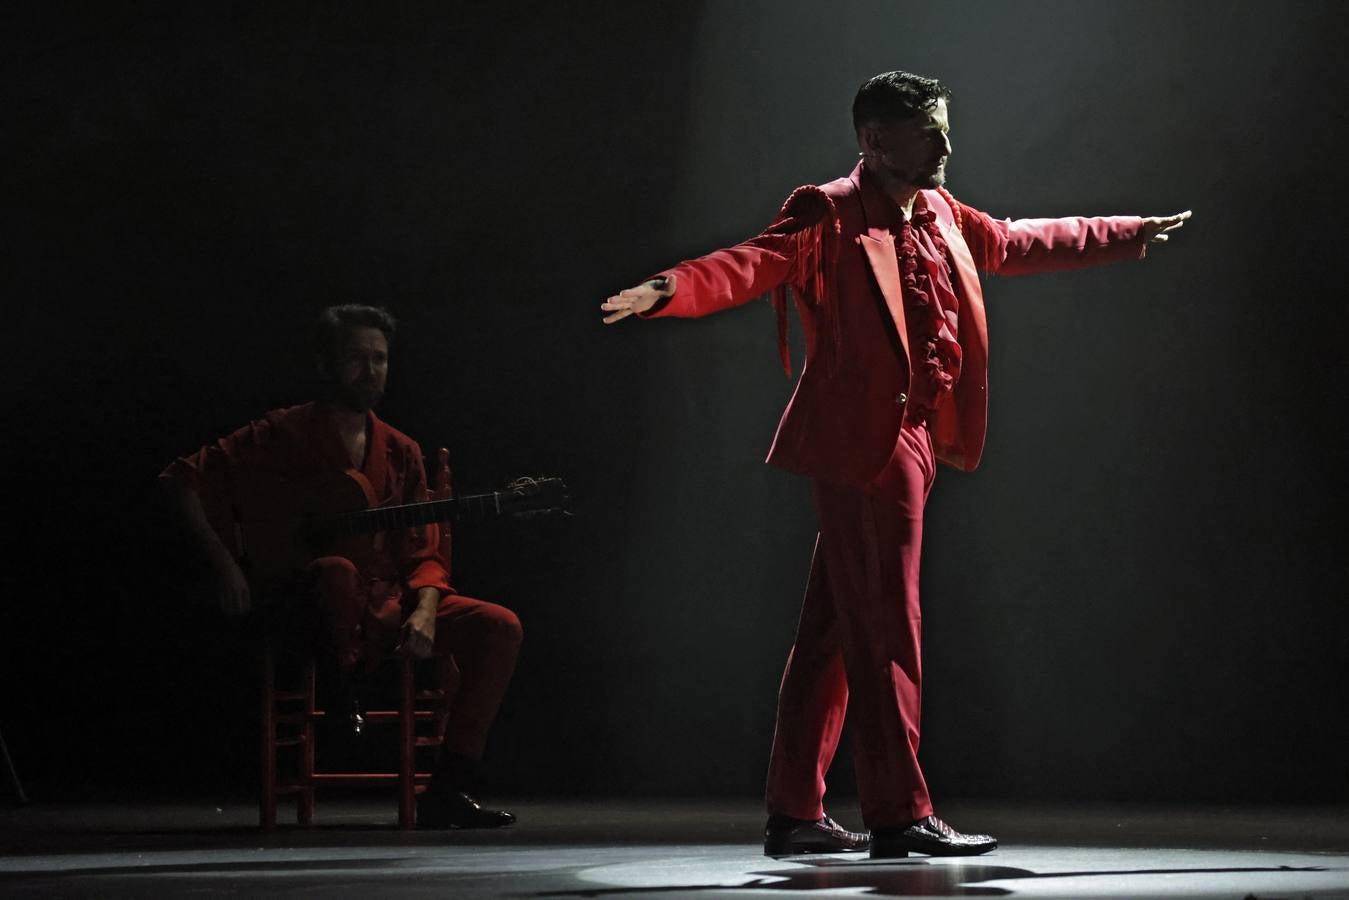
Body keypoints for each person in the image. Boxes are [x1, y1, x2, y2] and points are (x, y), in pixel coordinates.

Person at [601, 70, 1189, 859]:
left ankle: (795, 811)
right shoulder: (832, 212)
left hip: (913, 438)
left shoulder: (941, 211)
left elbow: (1012, 242)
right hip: (864, 443)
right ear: (874, 142)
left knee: (834, 632)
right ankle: (898, 812)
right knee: (885, 626)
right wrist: (671, 288)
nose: (945, 145)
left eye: (944, 127)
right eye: (927, 131)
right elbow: (751, 263)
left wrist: (1122, 232)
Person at [160, 304, 521, 829]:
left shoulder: (402, 450)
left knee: (498, 626)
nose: (370, 371)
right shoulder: (279, 432)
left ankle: (448, 786)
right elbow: (179, 480)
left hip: (383, 604)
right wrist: (226, 567)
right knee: (335, 571)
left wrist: (424, 610)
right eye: (356, 358)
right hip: (304, 605)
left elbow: (424, 551)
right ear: (325, 363)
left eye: (379, 359)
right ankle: (340, 694)